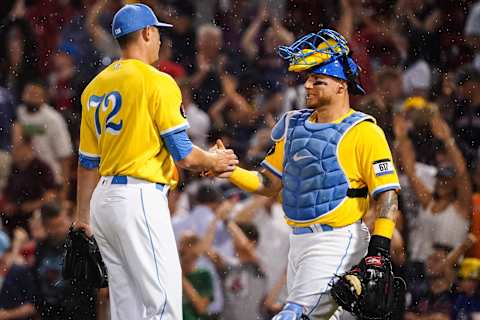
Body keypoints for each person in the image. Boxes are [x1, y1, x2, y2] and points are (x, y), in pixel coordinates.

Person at [213, 29, 402, 319]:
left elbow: (387, 195)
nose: (308, 86)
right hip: (298, 242)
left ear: (341, 86)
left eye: (318, 80)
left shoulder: (365, 131)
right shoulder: (293, 126)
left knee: (293, 315)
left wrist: (379, 252)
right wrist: (230, 170)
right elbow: (267, 183)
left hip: (338, 238)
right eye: (308, 79)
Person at [73, 4, 238, 320]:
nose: (160, 40)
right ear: (147, 32)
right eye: (158, 33)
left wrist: (83, 218)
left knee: (128, 310)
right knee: (164, 306)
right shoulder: (157, 81)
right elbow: (184, 154)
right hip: (139, 198)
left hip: (103, 204)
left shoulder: (94, 87)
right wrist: (214, 160)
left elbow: (87, 162)